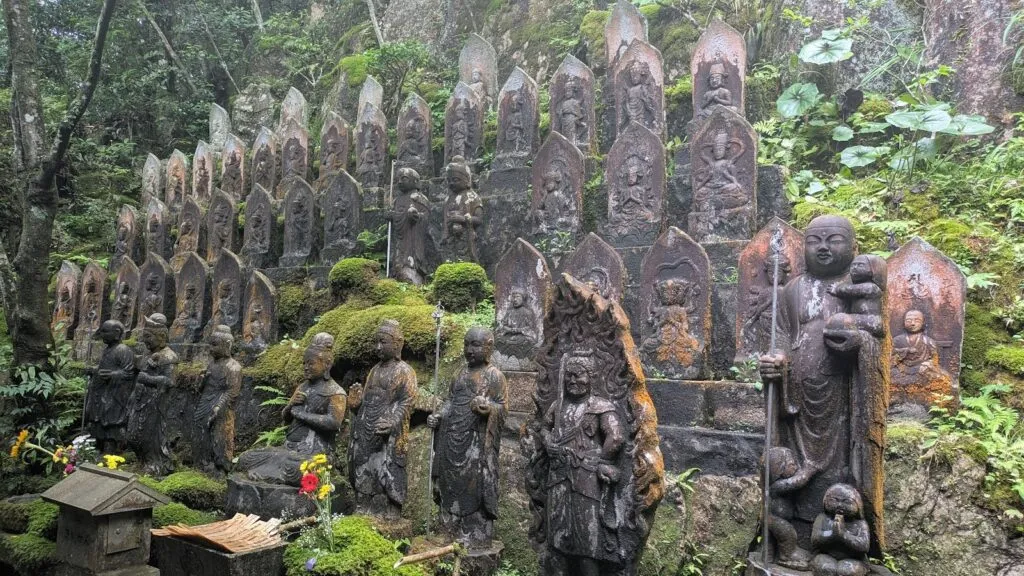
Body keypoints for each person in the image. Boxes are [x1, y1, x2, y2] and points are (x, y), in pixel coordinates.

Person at [428, 327, 507, 547]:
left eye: (476, 345)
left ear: (489, 347)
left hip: (476, 443)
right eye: (467, 344)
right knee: (449, 482)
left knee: (474, 485)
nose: (470, 350)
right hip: (453, 438)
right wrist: (439, 415)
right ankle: (449, 528)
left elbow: (502, 408)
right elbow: (450, 402)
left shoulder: (494, 376)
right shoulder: (459, 374)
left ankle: (475, 533)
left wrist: (488, 408)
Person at [235, 333, 346, 485]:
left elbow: (334, 423)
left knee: (301, 469)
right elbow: (286, 418)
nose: (306, 368)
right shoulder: (303, 387)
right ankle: (273, 472)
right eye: (304, 364)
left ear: (327, 365)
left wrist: (302, 415)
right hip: (288, 449)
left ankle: (274, 473)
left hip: (314, 453)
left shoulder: (335, 392)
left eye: (311, 364)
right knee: (247, 457)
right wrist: (290, 405)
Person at [348, 320, 417, 519]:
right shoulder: (374, 370)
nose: (378, 347)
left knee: (387, 468)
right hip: (367, 427)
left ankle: (390, 508)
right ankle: (364, 504)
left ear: (397, 344)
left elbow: (408, 401)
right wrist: (355, 405)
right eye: (376, 342)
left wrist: (393, 421)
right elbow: (367, 401)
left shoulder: (404, 371)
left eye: (383, 342)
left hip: (388, 431)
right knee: (364, 466)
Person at [127, 314, 178, 475]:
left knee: (149, 435)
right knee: (134, 432)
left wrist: (147, 379)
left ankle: (155, 463)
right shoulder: (148, 354)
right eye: (144, 337)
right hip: (140, 399)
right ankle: (141, 460)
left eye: (148, 337)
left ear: (161, 336)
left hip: (156, 402)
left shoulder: (169, 357)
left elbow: (170, 381)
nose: (145, 341)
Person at [194, 325, 242, 475]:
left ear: (227, 345)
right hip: (206, 400)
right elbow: (201, 389)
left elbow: (232, 392)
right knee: (201, 430)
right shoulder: (212, 364)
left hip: (222, 406)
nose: (210, 348)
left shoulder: (233, 367)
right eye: (210, 344)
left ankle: (220, 467)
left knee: (220, 435)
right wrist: (202, 379)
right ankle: (203, 463)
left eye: (214, 345)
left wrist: (218, 407)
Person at [85, 320, 136, 454]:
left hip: (114, 395)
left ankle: (111, 452)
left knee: (111, 423)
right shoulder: (107, 350)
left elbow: (129, 373)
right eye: (101, 331)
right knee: (98, 421)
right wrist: (94, 370)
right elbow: (104, 367)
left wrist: (112, 375)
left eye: (105, 331)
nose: (102, 334)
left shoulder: (123, 350)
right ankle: (97, 449)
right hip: (101, 392)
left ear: (117, 333)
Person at [810, 484, 871, 576]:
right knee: (826, 568)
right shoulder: (822, 518)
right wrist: (832, 534)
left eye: (847, 502)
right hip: (827, 555)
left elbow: (864, 546)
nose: (839, 505)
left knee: (846, 571)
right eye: (834, 500)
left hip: (853, 559)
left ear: (858, 505)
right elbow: (815, 540)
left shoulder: (860, 523)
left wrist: (843, 534)